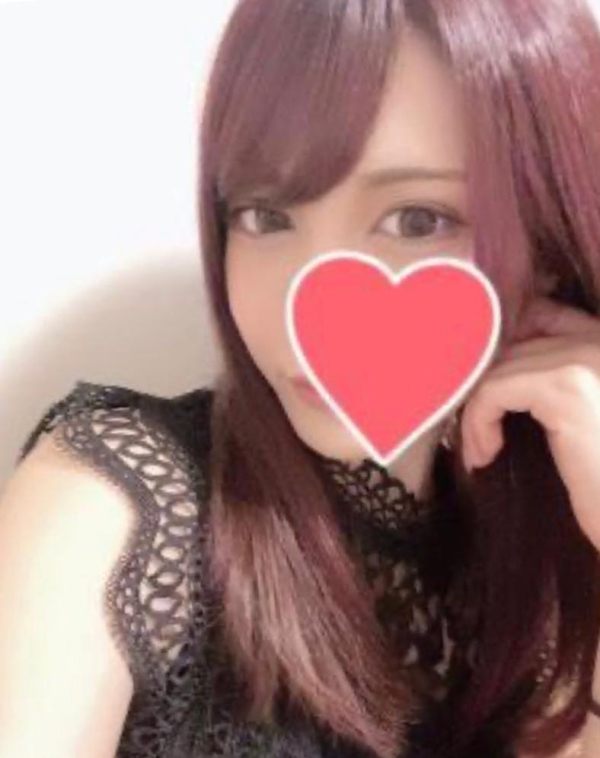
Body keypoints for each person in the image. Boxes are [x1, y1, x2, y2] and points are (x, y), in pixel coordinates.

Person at [2, 0, 600, 755]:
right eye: (266, 215)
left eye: (417, 219)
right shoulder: (116, 508)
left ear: (547, 248)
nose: (309, 299)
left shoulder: (544, 547)